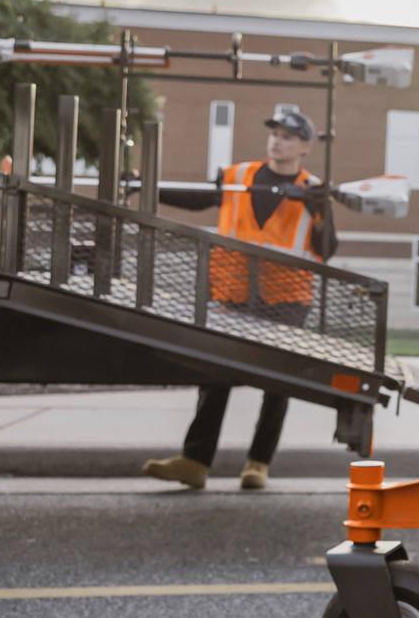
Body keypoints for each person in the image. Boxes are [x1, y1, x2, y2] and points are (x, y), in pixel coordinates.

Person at [142, 106, 338, 491]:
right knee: (213, 374)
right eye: (275, 133)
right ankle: (196, 461)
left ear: (304, 146)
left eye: (286, 136)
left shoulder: (313, 189)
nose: (277, 140)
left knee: (278, 382)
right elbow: (197, 198)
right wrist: (147, 185)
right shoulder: (239, 176)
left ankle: (258, 463)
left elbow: (327, 248)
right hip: (233, 294)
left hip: (286, 299)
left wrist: (319, 208)